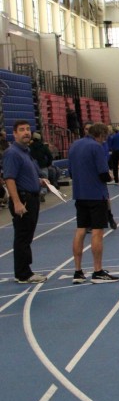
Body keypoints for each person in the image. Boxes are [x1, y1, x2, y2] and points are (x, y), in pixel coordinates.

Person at [68, 123, 119, 283]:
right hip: (96, 195)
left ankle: (78, 272)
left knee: (80, 230)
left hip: (79, 194)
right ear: (101, 135)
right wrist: (110, 176)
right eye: (105, 138)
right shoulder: (96, 147)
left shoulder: (74, 145)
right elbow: (103, 173)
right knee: (97, 232)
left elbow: (70, 172)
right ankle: (97, 271)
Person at [4, 120, 50, 283]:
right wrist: (16, 202)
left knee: (27, 236)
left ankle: (25, 270)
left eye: (28, 129)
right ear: (15, 133)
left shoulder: (26, 151)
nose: (26, 132)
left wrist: (39, 181)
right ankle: (23, 274)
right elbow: (9, 179)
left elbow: (26, 175)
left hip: (32, 198)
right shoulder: (12, 153)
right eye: (22, 130)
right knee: (23, 237)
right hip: (23, 199)